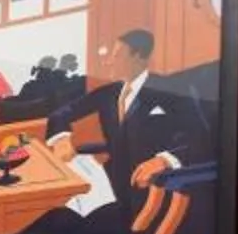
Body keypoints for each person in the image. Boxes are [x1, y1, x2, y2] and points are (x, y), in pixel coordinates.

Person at [46, 30, 208, 219]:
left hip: (151, 188)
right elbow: (60, 114)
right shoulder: (110, 92)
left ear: (138, 56)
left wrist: (164, 160)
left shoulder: (169, 90)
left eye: (117, 55)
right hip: (108, 184)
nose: (109, 62)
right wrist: (61, 139)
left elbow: (201, 136)